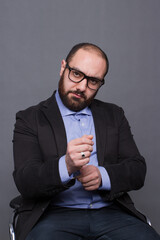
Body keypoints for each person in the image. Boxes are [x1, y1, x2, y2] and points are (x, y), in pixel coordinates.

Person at [12, 43, 160, 240]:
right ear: (63, 67)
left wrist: (103, 175)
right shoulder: (30, 118)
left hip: (111, 213)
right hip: (53, 215)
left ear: (101, 83)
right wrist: (66, 165)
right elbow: (25, 180)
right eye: (76, 74)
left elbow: (137, 170)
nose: (82, 87)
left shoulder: (114, 115)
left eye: (93, 81)